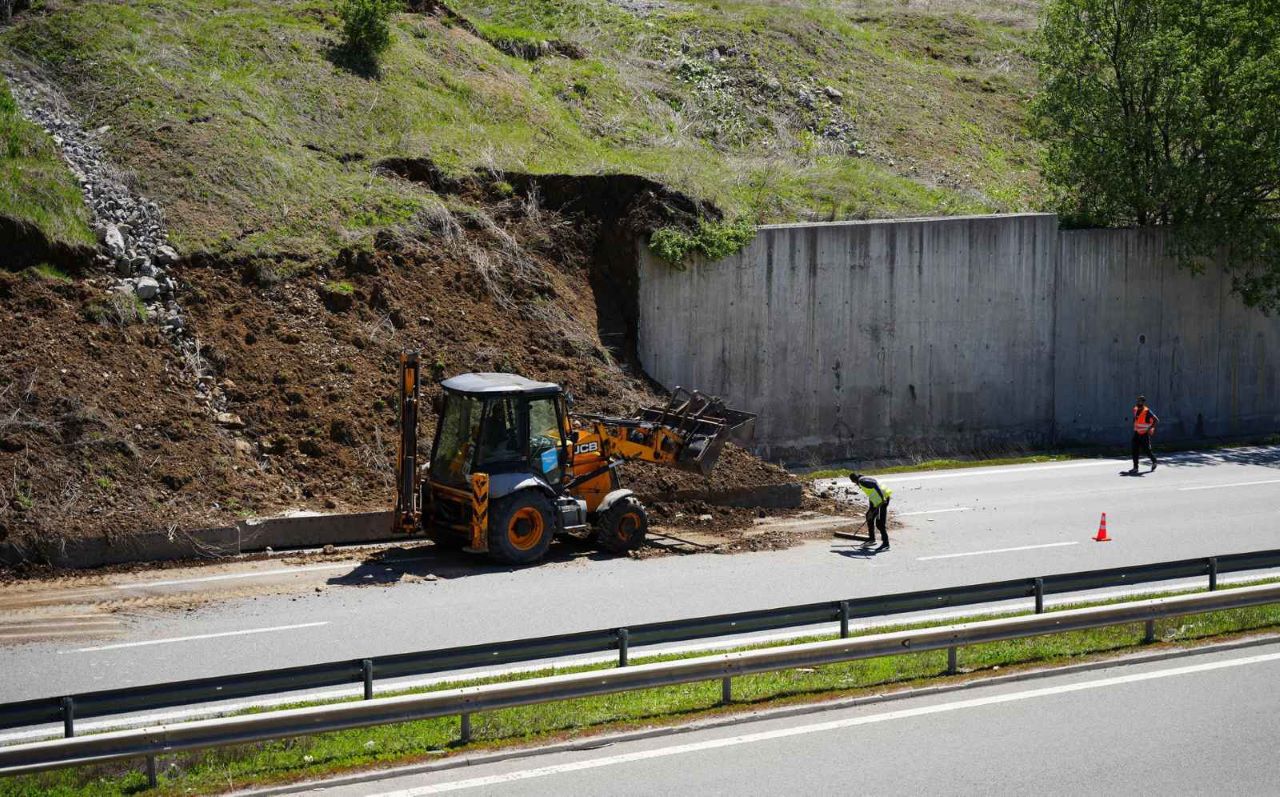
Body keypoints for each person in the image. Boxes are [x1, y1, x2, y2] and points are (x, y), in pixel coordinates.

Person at [849, 471, 892, 549]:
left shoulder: (862, 481)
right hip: (877, 499)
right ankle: (871, 539)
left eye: (854, 483)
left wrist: (882, 498)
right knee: (869, 516)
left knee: (879, 523)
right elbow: (872, 493)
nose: (855, 484)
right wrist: (871, 508)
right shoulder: (864, 478)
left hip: (882, 500)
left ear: (853, 480)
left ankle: (886, 543)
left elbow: (875, 485)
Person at [1130, 395, 1159, 474]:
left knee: (1147, 451)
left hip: (1144, 434)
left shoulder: (1147, 411)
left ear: (1143, 402)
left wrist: (1151, 428)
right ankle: (1135, 468)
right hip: (1136, 433)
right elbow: (1136, 418)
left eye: (1140, 401)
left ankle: (1154, 461)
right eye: (1138, 400)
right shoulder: (1135, 409)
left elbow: (1156, 420)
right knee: (1134, 450)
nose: (1138, 402)